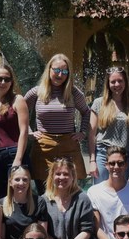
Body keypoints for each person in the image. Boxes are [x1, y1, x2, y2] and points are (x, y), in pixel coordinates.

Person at [25, 54, 90, 187]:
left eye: (64, 71)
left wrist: (83, 132)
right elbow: (19, 112)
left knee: (69, 190)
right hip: (43, 146)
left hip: (69, 145)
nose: (60, 75)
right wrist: (29, 131)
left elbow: (86, 112)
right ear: (49, 69)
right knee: (43, 191)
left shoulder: (73, 92)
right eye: (56, 70)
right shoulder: (36, 92)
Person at [87, 146, 129, 239]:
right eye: (112, 163)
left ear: (126, 165)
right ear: (106, 165)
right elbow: (97, 228)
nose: (116, 167)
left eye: (120, 163)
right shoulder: (94, 192)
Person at [88, 66, 129, 184]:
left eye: (120, 81)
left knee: (120, 194)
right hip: (103, 155)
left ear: (125, 82)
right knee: (100, 193)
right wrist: (92, 161)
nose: (117, 84)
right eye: (113, 81)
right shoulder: (98, 103)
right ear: (108, 84)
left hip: (123, 158)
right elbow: (91, 134)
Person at [0, 165, 49, 239]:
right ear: (10, 182)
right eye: (17, 179)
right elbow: (1, 238)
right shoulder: (1, 204)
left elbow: (42, 234)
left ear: (29, 182)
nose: (21, 183)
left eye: (25, 180)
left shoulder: (39, 202)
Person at [0, 62, 29, 196]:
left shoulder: (18, 100)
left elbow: (24, 131)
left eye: (7, 79)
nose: (3, 82)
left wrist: (18, 159)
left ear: (11, 82)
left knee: (17, 195)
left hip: (14, 153)